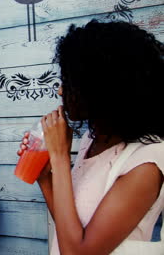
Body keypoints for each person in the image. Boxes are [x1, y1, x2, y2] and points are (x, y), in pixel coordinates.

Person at [18, 20, 164, 254]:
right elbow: (71, 230)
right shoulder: (94, 139)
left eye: (69, 81)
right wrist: (45, 177)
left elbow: (77, 252)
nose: (60, 90)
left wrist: (59, 157)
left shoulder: (145, 162)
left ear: (101, 88)